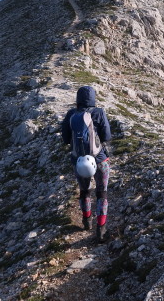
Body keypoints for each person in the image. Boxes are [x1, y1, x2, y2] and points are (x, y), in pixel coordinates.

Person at [61, 85, 112, 242]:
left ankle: (86, 221)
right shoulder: (99, 112)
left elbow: (65, 139)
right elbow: (107, 136)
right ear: (93, 98)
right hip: (100, 159)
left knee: (84, 191)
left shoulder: (71, 114)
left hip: (79, 161)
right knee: (102, 193)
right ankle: (101, 229)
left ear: (78, 99)